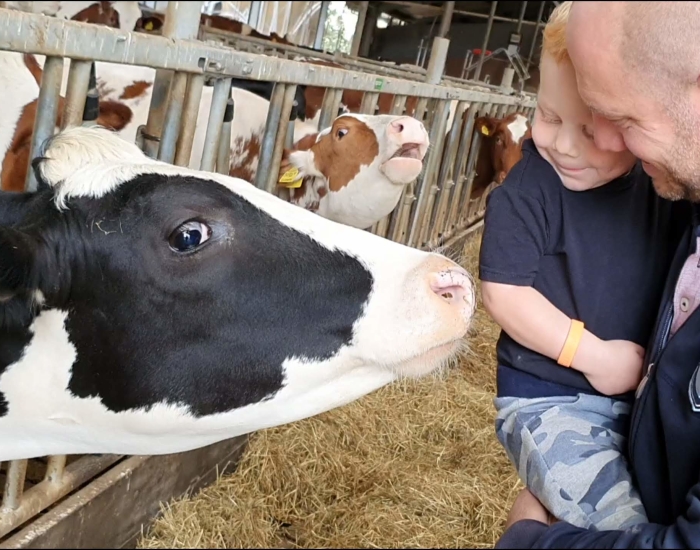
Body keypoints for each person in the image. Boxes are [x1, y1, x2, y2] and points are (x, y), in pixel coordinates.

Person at [495, 1, 700, 547]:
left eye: (605, 124)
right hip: (551, 400)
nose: (565, 144)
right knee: (621, 520)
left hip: (624, 404)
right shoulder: (531, 188)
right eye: (549, 116)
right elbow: (503, 289)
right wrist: (591, 355)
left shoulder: (666, 187)